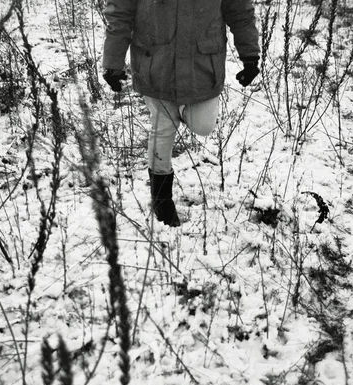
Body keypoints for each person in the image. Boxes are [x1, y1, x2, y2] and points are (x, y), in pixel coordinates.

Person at [102, 0, 260, 227]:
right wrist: (113, 63)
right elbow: (120, 14)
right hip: (156, 62)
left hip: (202, 65)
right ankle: (162, 201)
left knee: (204, 125)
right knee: (163, 126)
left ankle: (183, 110)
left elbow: (240, 13)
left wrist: (250, 56)